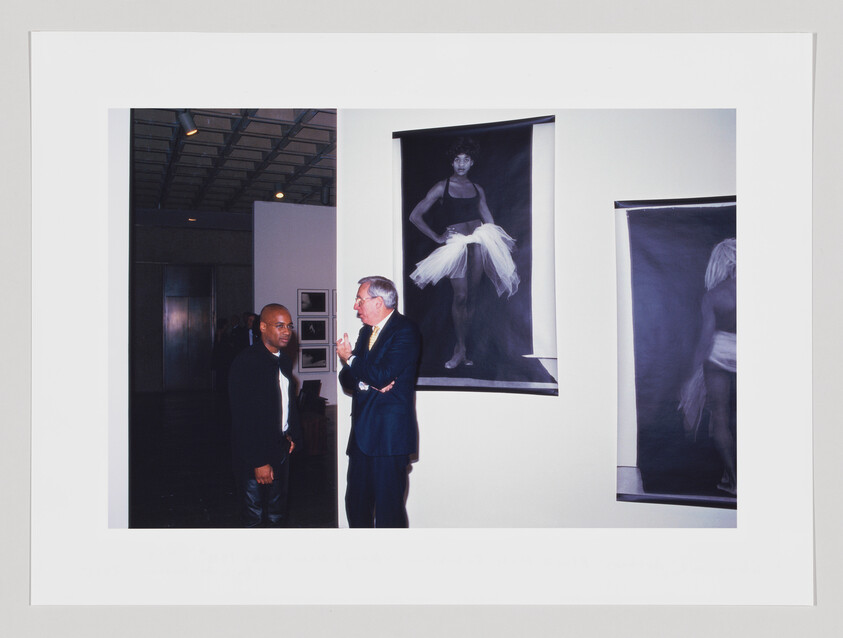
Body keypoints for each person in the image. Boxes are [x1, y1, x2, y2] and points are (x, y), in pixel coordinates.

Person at [407, 137, 520, 369]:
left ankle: (463, 348)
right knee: (460, 296)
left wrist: (502, 241)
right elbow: (415, 216)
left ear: (472, 163)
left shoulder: (477, 189)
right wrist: (438, 238)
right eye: (457, 159)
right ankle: (459, 349)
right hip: (456, 244)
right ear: (452, 162)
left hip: (478, 242)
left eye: (466, 160)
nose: (461, 164)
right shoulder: (442, 186)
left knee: (472, 297)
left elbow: (487, 217)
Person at [336, 276, 421, 528]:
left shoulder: (405, 330)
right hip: (361, 439)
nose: (355, 306)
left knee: (389, 514)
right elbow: (346, 379)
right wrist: (365, 380)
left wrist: (351, 359)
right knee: (356, 508)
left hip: (388, 440)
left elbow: (381, 375)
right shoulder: (365, 333)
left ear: (378, 302)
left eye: (360, 300)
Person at [228, 304, 303, 527]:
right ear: (262, 327)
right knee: (255, 518)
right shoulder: (246, 363)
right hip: (254, 455)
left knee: (277, 515)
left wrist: (291, 435)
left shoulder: (284, 360)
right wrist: (259, 461)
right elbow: (243, 418)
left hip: (280, 448)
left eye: (289, 326)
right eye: (279, 326)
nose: (287, 331)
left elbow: (286, 404)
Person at [680, 238, 737, 496]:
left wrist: (692, 374)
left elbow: (705, 340)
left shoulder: (714, 296)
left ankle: (735, 480)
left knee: (721, 419)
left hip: (720, 353)